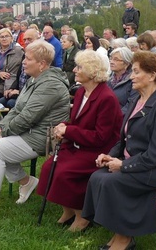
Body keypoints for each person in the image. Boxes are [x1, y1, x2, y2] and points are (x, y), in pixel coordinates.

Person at [82, 51, 156, 250]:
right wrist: (110, 155)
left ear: (152, 75)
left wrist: (124, 165)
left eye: (136, 72)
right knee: (97, 177)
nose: (131, 76)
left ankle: (124, 239)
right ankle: (118, 233)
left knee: (113, 182)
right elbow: (124, 138)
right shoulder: (138, 100)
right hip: (140, 163)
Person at [0, 40, 70, 216]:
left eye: (28, 59)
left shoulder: (51, 84)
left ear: (42, 64)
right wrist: (1, 128)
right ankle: (26, 181)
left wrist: (4, 132)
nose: (23, 62)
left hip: (45, 137)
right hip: (31, 131)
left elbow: (28, 117)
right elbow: (18, 109)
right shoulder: (35, 79)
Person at [37, 50, 122, 232]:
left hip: (98, 151)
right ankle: (67, 210)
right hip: (79, 145)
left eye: (79, 67)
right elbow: (77, 122)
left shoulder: (106, 98)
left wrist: (69, 130)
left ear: (92, 71)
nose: (74, 70)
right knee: (48, 168)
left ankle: (82, 215)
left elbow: (101, 137)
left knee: (64, 173)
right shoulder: (82, 91)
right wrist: (63, 127)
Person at [0, 28, 24, 102]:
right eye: (2, 37)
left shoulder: (18, 51)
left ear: (11, 38)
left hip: (12, 82)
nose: (4, 39)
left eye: (7, 36)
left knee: (1, 100)